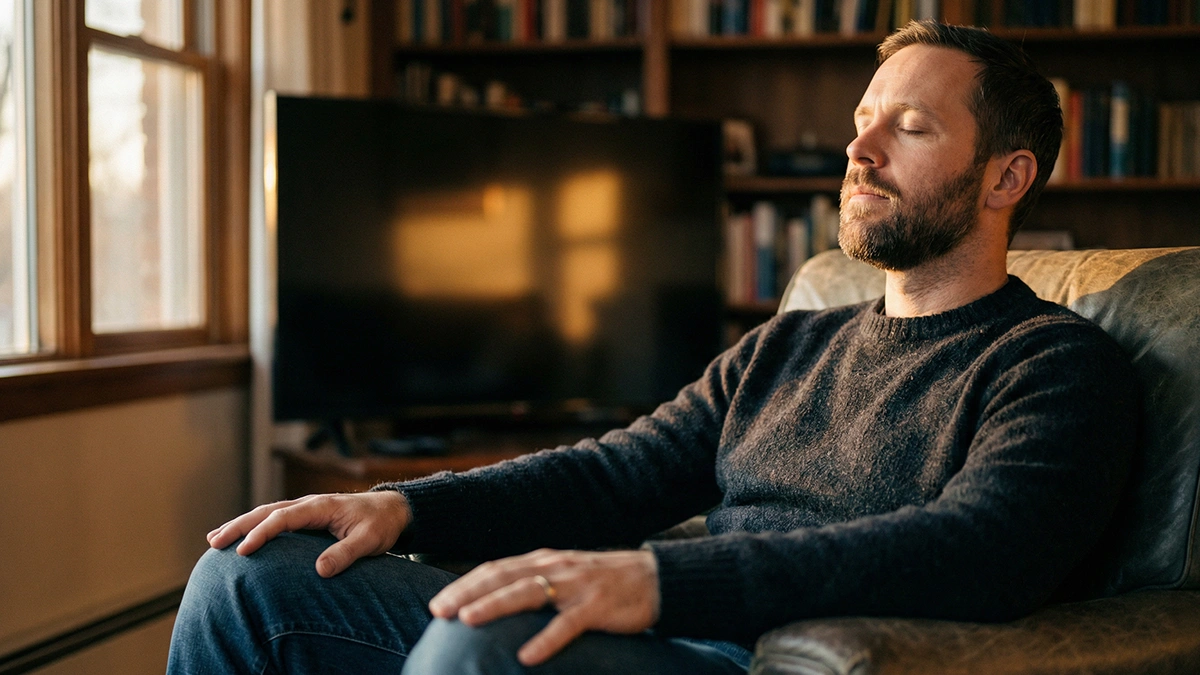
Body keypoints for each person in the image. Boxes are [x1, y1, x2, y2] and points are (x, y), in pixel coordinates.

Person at [167, 20, 1140, 675]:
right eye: (862, 122)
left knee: (484, 645)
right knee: (249, 577)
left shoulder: (1054, 365)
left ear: (1006, 178)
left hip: (771, 659)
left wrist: (662, 580)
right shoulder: (788, 345)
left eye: (910, 127)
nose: (859, 151)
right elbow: (615, 475)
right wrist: (401, 505)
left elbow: (979, 552)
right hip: (670, 633)